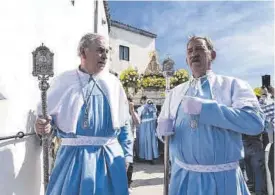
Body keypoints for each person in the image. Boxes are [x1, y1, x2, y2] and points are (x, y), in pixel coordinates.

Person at [157, 36, 265, 195]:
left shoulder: (233, 85)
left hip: (222, 181)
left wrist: (206, 110)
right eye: (189, 51)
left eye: (199, 48)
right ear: (186, 60)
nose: (193, 53)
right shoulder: (174, 93)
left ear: (212, 55)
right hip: (183, 180)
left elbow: (255, 123)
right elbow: (166, 135)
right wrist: (161, 131)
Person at [35, 33, 133, 195]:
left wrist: (127, 156)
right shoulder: (64, 81)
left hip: (109, 159)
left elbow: (124, 124)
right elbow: (47, 119)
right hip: (73, 160)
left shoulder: (113, 83)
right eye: (100, 51)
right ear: (83, 52)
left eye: (107, 52)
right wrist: (43, 127)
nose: (105, 56)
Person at [137, 97, 159, 164]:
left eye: (145, 100)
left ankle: (152, 157)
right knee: (144, 140)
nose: (144, 102)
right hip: (144, 126)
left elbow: (155, 117)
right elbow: (138, 117)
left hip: (150, 125)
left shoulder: (152, 107)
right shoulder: (140, 108)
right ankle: (144, 157)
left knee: (151, 141)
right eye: (143, 100)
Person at [127, 96, 140, 193]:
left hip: (131, 140)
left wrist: (131, 111)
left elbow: (137, 122)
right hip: (119, 141)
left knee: (130, 162)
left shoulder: (134, 113)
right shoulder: (119, 113)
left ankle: (128, 183)